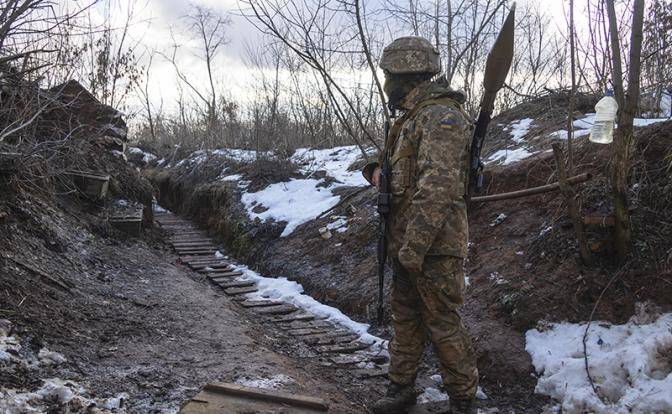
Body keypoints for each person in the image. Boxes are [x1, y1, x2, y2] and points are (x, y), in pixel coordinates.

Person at [362, 36, 478, 414]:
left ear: (405, 74)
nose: (386, 85)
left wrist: (413, 249)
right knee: (406, 318)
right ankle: (401, 390)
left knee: (442, 323)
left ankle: (463, 402)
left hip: (433, 247)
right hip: (407, 243)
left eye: (389, 76)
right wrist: (378, 172)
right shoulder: (412, 118)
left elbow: (438, 190)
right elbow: (404, 176)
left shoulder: (441, 117)